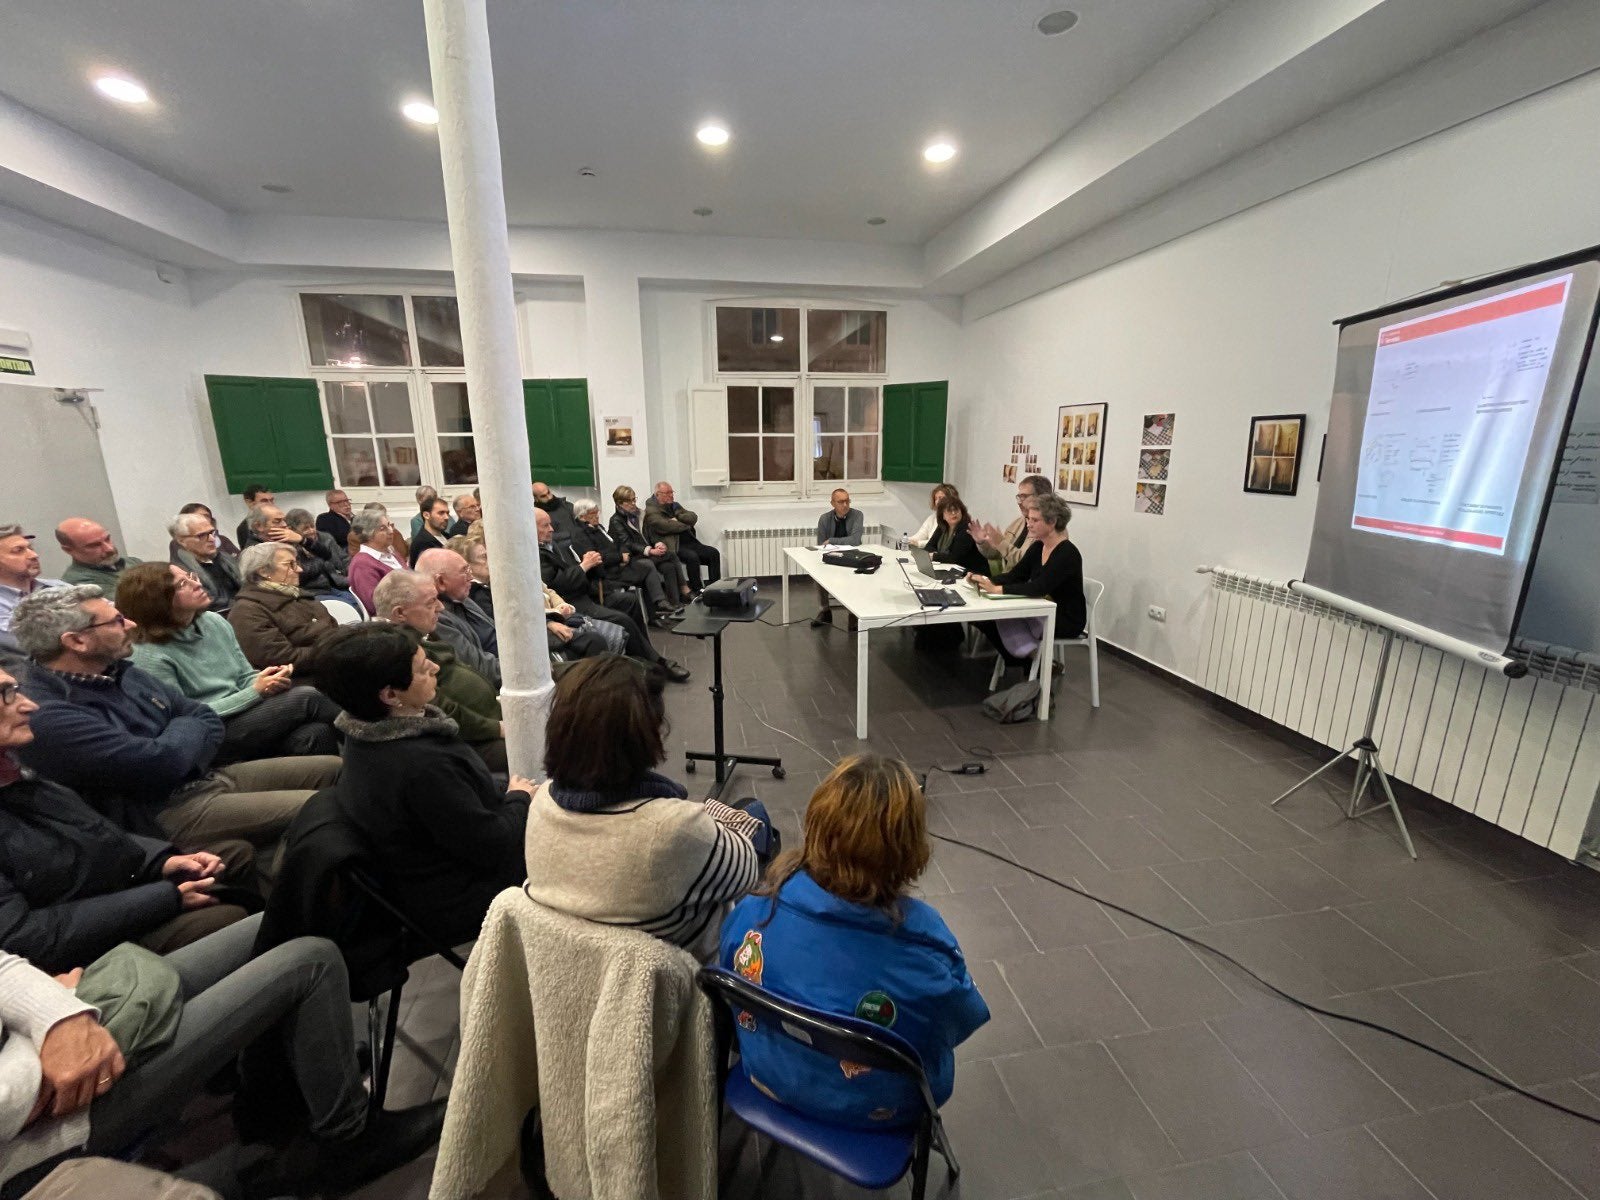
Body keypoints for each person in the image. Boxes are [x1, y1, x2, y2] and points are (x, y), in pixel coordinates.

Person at [0, 923, 446, 1196]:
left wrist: (55, 1017)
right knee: (311, 959)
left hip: (69, 1011)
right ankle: (348, 1137)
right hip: (48, 1125)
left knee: (280, 921)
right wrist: (43, 1062)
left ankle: (286, 1089)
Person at [718, 754, 989, 1129]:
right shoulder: (927, 949)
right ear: (908, 848)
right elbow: (956, 1023)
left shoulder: (753, 913)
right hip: (880, 1111)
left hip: (769, 1077)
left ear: (817, 826)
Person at [10, 585, 339, 855]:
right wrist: (175, 737)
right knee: (323, 807)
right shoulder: (47, 713)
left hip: (204, 775)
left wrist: (173, 740)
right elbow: (158, 763)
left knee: (336, 770)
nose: (130, 625)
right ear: (76, 641)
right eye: (116, 621)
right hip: (162, 812)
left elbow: (201, 714)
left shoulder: (120, 670)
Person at [0, 665, 252, 971]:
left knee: (233, 858)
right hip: (73, 960)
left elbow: (94, 833)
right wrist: (163, 898)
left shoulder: (17, 775)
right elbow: (24, 937)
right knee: (230, 917)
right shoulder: (49, 729)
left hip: (111, 891)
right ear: (76, 640)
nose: (29, 705)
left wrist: (160, 862)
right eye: (6, 695)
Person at [524, 656, 767, 961]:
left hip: (580, 967)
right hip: (685, 979)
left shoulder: (541, 803)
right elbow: (745, 873)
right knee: (755, 815)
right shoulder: (672, 828)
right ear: (645, 733)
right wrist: (704, 818)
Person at [314, 624, 533, 945]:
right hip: (461, 896)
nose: (434, 667)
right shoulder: (420, 766)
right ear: (390, 694)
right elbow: (492, 845)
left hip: (436, 872)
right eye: (420, 668)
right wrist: (519, 798)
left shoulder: (365, 735)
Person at [118, 563, 340, 762]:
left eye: (191, 576)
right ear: (158, 601)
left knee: (314, 734)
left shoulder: (213, 621)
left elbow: (244, 674)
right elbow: (182, 717)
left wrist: (268, 680)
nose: (197, 584)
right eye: (183, 584)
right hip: (208, 730)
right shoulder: (148, 654)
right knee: (306, 696)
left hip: (246, 713)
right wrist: (254, 692)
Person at [372, 570, 507, 773]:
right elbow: (437, 708)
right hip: (468, 740)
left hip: (488, 719)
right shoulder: (398, 655)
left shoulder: (417, 635)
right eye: (430, 602)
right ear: (400, 613)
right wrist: (496, 728)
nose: (441, 607)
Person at [535, 512, 690, 681]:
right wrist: (584, 566)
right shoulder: (537, 554)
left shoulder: (555, 544)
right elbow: (557, 585)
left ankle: (644, 657)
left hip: (589, 590)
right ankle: (658, 663)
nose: (551, 529)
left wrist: (589, 564)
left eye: (550, 524)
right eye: (545, 526)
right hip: (573, 602)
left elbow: (615, 548)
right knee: (622, 618)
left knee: (630, 600)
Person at [967, 492, 1086, 667]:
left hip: (1065, 619)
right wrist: (985, 580)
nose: (1028, 524)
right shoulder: (1039, 546)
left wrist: (997, 590)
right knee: (987, 618)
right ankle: (1031, 659)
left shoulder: (1067, 553)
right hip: (1042, 608)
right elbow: (1015, 576)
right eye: (1029, 519)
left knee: (995, 618)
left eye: (1034, 520)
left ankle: (1031, 661)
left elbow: (1039, 587)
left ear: (1052, 522)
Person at [227, 543, 341, 685]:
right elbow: (282, 660)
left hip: (331, 666)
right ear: (263, 571)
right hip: (300, 682)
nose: (299, 569)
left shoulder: (298, 595)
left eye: (297, 563)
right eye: (290, 564)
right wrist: (335, 650)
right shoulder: (247, 612)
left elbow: (333, 627)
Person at [567, 499, 679, 621]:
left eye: (597, 512)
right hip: (607, 575)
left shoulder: (598, 528)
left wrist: (624, 553)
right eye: (593, 513)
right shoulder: (580, 534)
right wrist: (619, 557)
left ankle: (655, 609)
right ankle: (654, 610)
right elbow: (597, 558)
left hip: (618, 566)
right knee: (647, 568)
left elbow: (617, 543)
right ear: (582, 516)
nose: (597, 515)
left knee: (649, 568)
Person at [241, 506, 350, 599]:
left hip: (326, 587)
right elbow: (299, 573)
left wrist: (303, 540)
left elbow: (326, 554)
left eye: (284, 520)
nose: (284, 525)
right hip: (303, 595)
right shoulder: (255, 551)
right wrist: (319, 561)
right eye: (277, 521)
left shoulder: (284, 538)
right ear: (258, 526)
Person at [609, 485, 691, 607]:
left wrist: (658, 544)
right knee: (651, 564)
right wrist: (649, 550)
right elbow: (627, 543)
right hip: (632, 557)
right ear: (620, 503)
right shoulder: (616, 520)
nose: (633, 503)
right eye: (629, 501)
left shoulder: (640, 514)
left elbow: (650, 534)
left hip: (646, 554)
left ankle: (675, 603)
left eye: (634, 499)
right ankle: (665, 598)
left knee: (669, 565)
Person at [644, 481, 721, 590]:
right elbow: (665, 526)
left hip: (690, 541)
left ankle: (714, 589)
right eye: (667, 493)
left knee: (713, 553)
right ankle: (697, 590)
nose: (671, 495)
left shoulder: (674, 505)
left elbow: (693, 517)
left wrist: (678, 517)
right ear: (658, 495)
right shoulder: (652, 510)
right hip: (673, 545)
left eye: (672, 492)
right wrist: (686, 525)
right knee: (692, 557)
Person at [973, 473, 1053, 576]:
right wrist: (982, 543)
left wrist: (1000, 542)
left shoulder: (1047, 529)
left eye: (1023, 497)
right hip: (1009, 581)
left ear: (1041, 498)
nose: (1019, 502)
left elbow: (1025, 564)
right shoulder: (1018, 522)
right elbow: (997, 554)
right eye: (1018, 497)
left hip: (1024, 588)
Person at [0, 526, 65, 651]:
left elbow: (107, 611)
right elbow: (29, 642)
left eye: (30, 548)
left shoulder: (57, 586)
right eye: (18, 550)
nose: (34, 555)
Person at [167, 512, 242, 615]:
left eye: (212, 532)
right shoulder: (180, 572)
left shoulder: (225, 558)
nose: (212, 539)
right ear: (181, 541)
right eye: (202, 535)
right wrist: (246, 603)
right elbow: (209, 602)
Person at [811, 488, 864, 629]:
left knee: (855, 577)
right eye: (841, 502)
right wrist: (829, 545)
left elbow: (855, 540)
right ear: (832, 503)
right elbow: (821, 544)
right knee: (818, 575)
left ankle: (853, 614)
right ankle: (824, 611)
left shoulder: (858, 515)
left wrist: (832, 540)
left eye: (847, 501)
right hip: (832, 555)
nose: (845, 505)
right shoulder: (824, 518)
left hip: (852, 555)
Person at [53, 521, 141, 595]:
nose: (109, 548)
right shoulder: (79, 584)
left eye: (107, 539)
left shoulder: (132, 561)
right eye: (94, 545)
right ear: (68, 550)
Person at [347, 505, 403, 615]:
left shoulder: (391, 553)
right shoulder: (362, 564)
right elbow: (374, 605)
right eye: (383, 528)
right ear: (368, 534)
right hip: (395, 618)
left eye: (389, 525)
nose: (391, 531)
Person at [928, 495, 990, 578]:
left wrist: (934, 556)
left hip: (973, 573)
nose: (953, 513)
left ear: (962, 512)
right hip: (954, 570)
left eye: (956, 510)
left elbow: (955, 558)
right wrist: (934, 554)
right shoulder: (942, 527)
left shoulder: (966, 529)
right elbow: (929, 546)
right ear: (943, 516)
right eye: (949, 511)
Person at [284, 507, 349, 575]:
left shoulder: (326, 538)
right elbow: (304, 573)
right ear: (292, 530)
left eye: (312, 526)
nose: (312, 531)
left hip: (343, 579)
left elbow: (344, 559)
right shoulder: (290, 547)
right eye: (305, 528)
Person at [448, 534, 495, 619]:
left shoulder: (486, 586)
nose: (490, 561)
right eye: (484, 557)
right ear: (468, 565)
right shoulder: (476, 594)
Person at [170, 504, 241, 559]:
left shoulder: (222, 539)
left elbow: (239, 559)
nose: (204, 519)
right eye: (201, 535)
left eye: (206, 516)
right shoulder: (177, 543)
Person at [907, 483, 960, 549]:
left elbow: (940, 543)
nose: (937, 502)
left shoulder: (954, 519)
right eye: (936, 499)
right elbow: (920, 535)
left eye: (940, 498)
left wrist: (918, 543)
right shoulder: (932, 518)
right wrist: (906, 540)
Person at [408, 495, 452, 568]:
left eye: (447, 513)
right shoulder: (422, 543)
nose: (447, 517)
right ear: (426, 515)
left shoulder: (447, 536)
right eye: (441, 513)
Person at [233, 484, 274, 550]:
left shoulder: (283, 520)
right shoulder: (244, 528)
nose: (270, 504)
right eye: (264, 501)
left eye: (272, 500)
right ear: (249, 502)